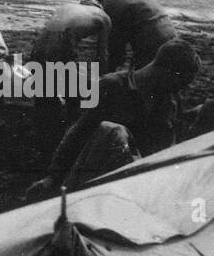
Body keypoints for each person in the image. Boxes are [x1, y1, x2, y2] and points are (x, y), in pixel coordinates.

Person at [28, 40, 200, 196]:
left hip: (138, 176)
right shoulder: (112, 87)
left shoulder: (167, 100)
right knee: (112, 130)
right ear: (166, 71)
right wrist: (53, 177)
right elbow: (78, 132)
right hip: (100, 171)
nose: (179, 91)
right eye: (180, 84)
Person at [29, 0, 112, 150]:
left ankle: (40, 141)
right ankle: (67, 140)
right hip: (59, 46)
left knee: (44, 96)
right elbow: (102, 53)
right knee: (74, 98)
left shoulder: (66, 8)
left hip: (39, 47)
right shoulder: (103, 16)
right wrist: (103, 80)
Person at [72, 0, 177, 72]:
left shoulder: (109, 4)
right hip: (170, 30)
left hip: (152, 39)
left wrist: (106, 73)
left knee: (138, 79)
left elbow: (116, 48)